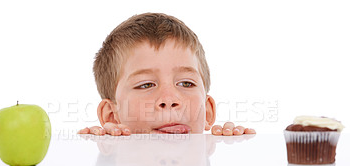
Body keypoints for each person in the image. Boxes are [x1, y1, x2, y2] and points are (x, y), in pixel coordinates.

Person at [78, 13, 256, 136]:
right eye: (145, 84)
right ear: (111, 116)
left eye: (186, 83)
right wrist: (98, 148)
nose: (169, 99)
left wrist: (234, 146)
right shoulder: (106, 156)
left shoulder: (222, 151)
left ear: (207, 111)